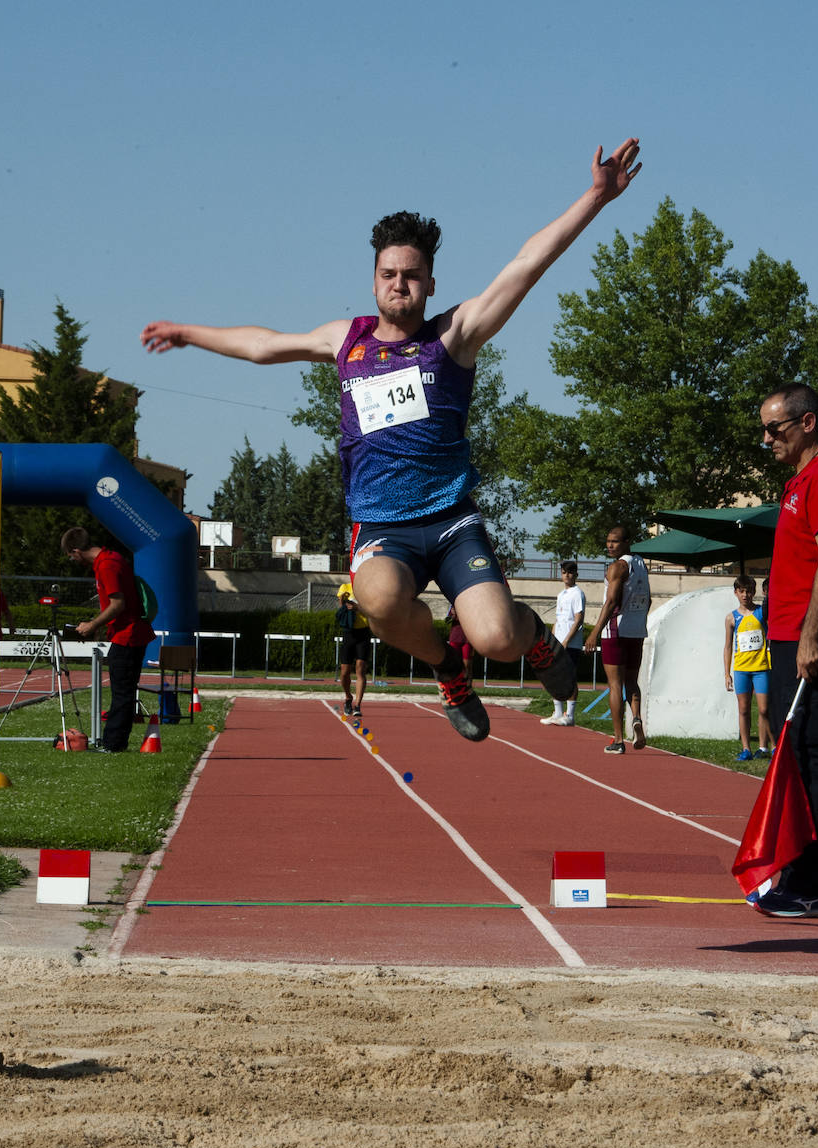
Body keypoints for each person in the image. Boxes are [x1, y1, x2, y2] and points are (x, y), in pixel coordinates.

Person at [141, 137, 642, 743]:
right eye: (388, 274)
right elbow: (263, 344)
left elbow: (525, 265)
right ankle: (446, 669)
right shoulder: (344, 340)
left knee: (499, 639)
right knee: (376, 600)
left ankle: (531, 635)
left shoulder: (454, 336)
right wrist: (189, 333)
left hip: (451, 520)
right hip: (382, 526)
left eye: (411, 276)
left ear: (430, 282)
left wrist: (594, 197)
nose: (398, 285)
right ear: (373, 279)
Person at [747, 383, 818, 918]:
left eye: (776, 428)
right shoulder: (798, 481)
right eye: (765, 428)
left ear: (808, 423)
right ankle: (797, 869)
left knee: (814, 753)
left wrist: (813, 635)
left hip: (812, 635)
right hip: (790, 633)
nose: (766, 437)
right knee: (794, 752)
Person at [60, 527, 156, 752]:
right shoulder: (111, 558)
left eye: (71, 556)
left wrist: (92, 624)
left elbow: (118, 604)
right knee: (124, 690)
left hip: (128, 636)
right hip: (129, 633)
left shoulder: (107, 565)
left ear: (76, 550)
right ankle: (115, 742)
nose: (73, 560)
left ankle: (113, 745)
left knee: (122, 692)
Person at [584, 525, 650, 754]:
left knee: (615, 685)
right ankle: (637, 719)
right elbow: (648, 600)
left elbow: (611, 602)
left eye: (615, 541)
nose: (610, 545)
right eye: (608, 541)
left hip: (615, 630)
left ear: (627, 542)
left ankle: (618, 739)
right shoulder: (641, 565)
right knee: (632, 682)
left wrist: (594, 632)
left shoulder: (618, 567)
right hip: (637, 630)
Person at [723, 575, 774, 761]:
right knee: (743, 709)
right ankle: (746, 749)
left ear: (754, 593)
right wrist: (727, 673)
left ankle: (770, 746)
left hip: (761, 668)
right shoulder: (731, 618)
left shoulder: (761, 613)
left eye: (748, 591)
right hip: (741, 669)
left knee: (764, 709)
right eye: (742, 591)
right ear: (736, 592)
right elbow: (727, 646)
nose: (745, 595)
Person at [541, 560, 586, 726]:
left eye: (570, 572)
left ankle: (570, 715)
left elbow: (578, 619)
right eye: (564, 572)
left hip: (570, 644)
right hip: (558, 643)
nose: (567, 575)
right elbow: (558, 619)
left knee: (569, 678)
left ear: (576, 574)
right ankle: (558, 712)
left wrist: (567, 640)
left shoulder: (577, 593)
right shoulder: (561, 595)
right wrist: (552, 640)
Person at [335, 582, 370, 718]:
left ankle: (358, 705)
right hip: (349, 633)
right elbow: (341, 607)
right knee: (344, 672)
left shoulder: (367, 588)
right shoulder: (345, 587)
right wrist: (343, 601)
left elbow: (371, 610)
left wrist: (357, 607)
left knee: (360, 668)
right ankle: (348, 697)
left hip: (364, 632)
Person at [445, 607, 474, 688]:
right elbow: (447, 620)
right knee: (454, 663)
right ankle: (454, 685)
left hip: (467, 638)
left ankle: (468, 686)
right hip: (455, 637)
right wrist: (453, 616)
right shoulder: (453, 605)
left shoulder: (472, 605)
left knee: (467, 664)